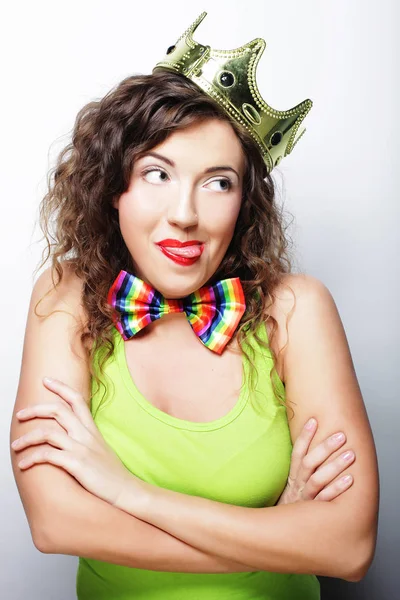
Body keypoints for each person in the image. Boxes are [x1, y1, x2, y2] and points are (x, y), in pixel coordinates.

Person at [10, 11, 379, 600]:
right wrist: (279, 532)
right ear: (113, 189)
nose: (184, 213)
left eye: (218, 182)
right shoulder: (68, 296)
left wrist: (129, 494)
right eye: (156, 173)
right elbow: (57, 524)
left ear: (246, 204)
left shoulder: (296, 310)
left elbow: (349, 548)